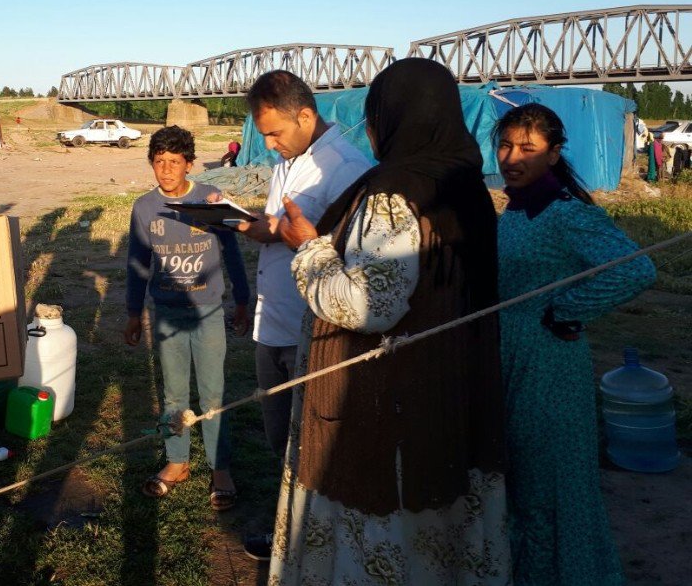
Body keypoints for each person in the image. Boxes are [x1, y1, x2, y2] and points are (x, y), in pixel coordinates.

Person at [269, 58, 510, 585]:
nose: (372, 130)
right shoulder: (465, 187)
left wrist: (307, 247)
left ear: (395, 118)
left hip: (383, 400)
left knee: (382, 515)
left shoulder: (393, 193)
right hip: (449, 389)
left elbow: (368, 307)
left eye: (375, 116)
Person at [495, 103, 655, 586]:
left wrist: (565, 310)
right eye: (505, 144)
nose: (511, 156)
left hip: (547, 365)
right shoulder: (517, 208)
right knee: (522, 486)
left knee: (548, 491)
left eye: (528, 148)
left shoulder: (564, 212)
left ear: (555, 153)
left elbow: (634, 268)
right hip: (510, 360)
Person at [229, 70, 371, 559]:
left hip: (316, 329)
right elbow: (286, 226)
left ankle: (319, 540)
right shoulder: (289, 161)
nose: (268, 145)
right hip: (273, 321)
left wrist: (285, 234)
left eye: (275, 133)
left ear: (306, 115)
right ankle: (290, 527)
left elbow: (358, 255)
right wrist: (260, 227)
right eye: (263, 133)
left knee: (317, 443)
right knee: (280, 440)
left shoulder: (348, 168)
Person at [124, 125, 250, 510]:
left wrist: (242, 300)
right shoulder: (144, 208)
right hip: (166, 315)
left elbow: (232, 254)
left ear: (189, 164)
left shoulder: (210, 202)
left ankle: (220, 468)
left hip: (209, 312)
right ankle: (177, 461)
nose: (165, 170)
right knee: (175, 394)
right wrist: (133, 312)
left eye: (174, 163)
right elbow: (137, 264)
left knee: (213, 393)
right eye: (159, 162)